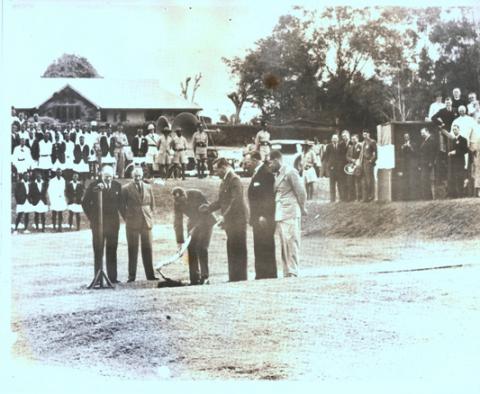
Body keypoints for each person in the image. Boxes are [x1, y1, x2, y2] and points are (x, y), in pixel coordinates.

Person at [201, 158, 248, 282]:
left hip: (238, 220)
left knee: (238, 248)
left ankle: (240, 278)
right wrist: (209, 208)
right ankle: (233, 277)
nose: (216, 173)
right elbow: (222, 201)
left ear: (224, 167)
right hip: (230, 220)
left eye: (217, 170)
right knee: (231, 247)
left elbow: (235, 201)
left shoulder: (234, 180)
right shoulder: (224, 181)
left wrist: (224, 216)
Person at [82, 165, 124, 284]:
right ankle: (98, 278)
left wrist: (128, 218)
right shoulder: (94, 186)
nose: (108, 179)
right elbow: (85, 203)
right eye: (106, 177)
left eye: (110, 177)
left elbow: (121, 205)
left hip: (113, 225)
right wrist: (93, 218)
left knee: (112, 250)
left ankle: (112, 278)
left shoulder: (117, 186)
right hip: (98, 225)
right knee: (98, 250)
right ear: (101, 175)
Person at [269, 150, 306, 278]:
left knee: (292, 242)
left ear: (276, 160)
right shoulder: (278, 174)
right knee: (284, 243)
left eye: (270, 163)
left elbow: (301, 191)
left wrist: (303, 207)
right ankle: (287, 270)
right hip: (280, 212)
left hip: (290, 211)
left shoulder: (290, 172)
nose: (269, 166)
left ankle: (293, 271)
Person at [172, 187, 216, 285]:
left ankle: (205, 277)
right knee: (191, 247)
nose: (180, 203)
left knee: (201, 247)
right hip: (193, 222)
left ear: (185, 196)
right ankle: (194, 279)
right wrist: (180, 241)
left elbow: (206, 212)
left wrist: (195, 228)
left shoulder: (196, 194)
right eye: (177, 201)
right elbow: (177, 222)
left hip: (206, 221)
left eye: (181, 200)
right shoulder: (177, 203)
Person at [121, 167, 158, 282]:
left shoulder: (148, 187)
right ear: (132, 176)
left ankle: (150, 275)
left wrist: (150, 216)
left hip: (146, 221)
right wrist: (127, 218)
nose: (137, 178)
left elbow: (152, 204)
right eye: (135, 176)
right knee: (133, 249)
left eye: (139, 176)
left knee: (148, 249)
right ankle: (131, 276)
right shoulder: (126, 189)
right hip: (132, 222)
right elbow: (122, 206)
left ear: (142, 176)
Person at [245, 151, 277, 280]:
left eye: (247, 163)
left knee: (266, 244)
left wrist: (264, 215)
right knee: (259, 245)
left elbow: (268, 197)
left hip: (264, 218)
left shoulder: (266, 174)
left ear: (255, 160)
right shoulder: (258, 174)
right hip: (257, 218)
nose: (245, 166)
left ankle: (268, 274)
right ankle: (261, 274)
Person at [448, 124, 469, 198]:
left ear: (459, 130)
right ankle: (455, 194)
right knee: (454, 177)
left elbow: (465, 150)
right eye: (453, 130)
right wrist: (450, 153)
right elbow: (451, 149)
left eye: (455, 129)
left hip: (460, 161)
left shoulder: (463, 139)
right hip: (453, 162)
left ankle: (461, 193)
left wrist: (456, 152)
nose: (454, 131)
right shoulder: (452, 140)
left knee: (459, 177)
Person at [398, 133, 419, 201]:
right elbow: (400, 155)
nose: (406, 137)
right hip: (405, 165)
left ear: (409, 137)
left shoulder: (414, 144)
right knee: (406, 180)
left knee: (412, 180)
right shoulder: (402, 145)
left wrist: (410, 146)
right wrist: (402, 148)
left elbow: (416, 153)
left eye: (407, 136)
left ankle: (413, 197)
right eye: (405, 136)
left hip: (412, 165)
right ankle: (406, 197)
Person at [324, 134, 343, 202]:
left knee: (340, 184)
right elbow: (326, 157)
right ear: (331, 139)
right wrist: (329, 166)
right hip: (332, 168)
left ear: (338, 139)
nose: (334, 139)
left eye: (336, 138)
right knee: (332, 184)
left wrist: (340, 166)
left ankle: (341, 198)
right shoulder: (329, 146)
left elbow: (342, 156)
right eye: (333, 138)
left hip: (339, 169)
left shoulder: (340, 146)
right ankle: (332, 199)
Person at [418, 128, 436, 200]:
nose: (422, 134)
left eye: (423, 133)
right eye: (421, 133)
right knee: (424, 179)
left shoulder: (431, 140)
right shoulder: (425, 140)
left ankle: (428, 197)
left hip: (428, 163)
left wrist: (431, 162)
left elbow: (433, 152)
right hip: (424, 163)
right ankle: (426, 196)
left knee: (427, 179)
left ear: (427, 131)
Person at [360, 130, 377, 202]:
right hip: (363, 162)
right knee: (364, 180)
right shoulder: (363, 143)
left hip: (369, 163)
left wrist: (371, 161)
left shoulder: (372, 142)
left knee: (370, 180)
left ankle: (372, 196)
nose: (365, 136)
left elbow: (376, 153)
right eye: (364, 135)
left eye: (366, 134)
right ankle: (365, 197)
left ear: (369, 134)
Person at [48, 168, 67, 232]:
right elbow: (50, 190)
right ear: (56, 173)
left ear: (61, 173)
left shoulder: (63, 180)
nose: (59, 173)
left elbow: (63, 189)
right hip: (54, 198)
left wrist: (62, 196)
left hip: (60, 198)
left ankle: (59, 226)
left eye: (60, 172)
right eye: (58, 172)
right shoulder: (52, 180)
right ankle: (54, 227)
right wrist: (52, 198)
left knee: (60, 213)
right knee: (54, 213)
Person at [346, 134, 363, 201]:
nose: (353, 140)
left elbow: (362, 155)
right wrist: (352, 160)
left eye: (354, 139)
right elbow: (347, 156)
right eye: (352, 139)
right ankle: (352, 197)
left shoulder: (361, 146)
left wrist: (358, 161)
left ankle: (359, 197)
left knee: (358, 181)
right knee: (351, 182)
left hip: (359, 166)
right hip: (352, 166)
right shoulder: (350, 147)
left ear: (357, 139)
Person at [339, 130, 353, 201]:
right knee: (343, 181)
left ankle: (351, 197)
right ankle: (344, 197)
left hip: (350, 164)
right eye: (343, 136)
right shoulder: (341, 144)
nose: (344, 138)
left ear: (348, 135)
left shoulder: (352, 142)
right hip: (342, 165)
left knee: (350, 181)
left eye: (345, 136)